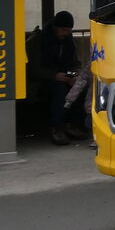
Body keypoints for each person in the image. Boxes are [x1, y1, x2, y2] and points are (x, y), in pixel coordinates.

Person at [26, 10, 84, 145]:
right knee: (58, 90)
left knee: (79, 87)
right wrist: (53, 75)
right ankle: (57, 127)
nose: (65, 33)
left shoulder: (68, 41)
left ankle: (73, 124)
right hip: (40, 82)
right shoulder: (39, 40)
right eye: (63, 30)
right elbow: (31, 69)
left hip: (62, 78)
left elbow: (75, 63)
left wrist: (73, 74)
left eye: (68, 30)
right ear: (55, 27)